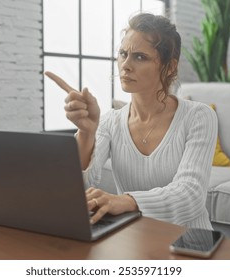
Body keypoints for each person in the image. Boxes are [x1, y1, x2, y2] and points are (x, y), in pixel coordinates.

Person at [45, 13, 217, 230]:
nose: (125, 65)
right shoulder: (111, 121)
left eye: (140, 57)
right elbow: (79, 187)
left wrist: (124, 201)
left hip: (191, 241)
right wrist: (87, 132)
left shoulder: (199, 117)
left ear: (170, 67)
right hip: (132, 239)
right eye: (123, 54)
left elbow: (190, 195)